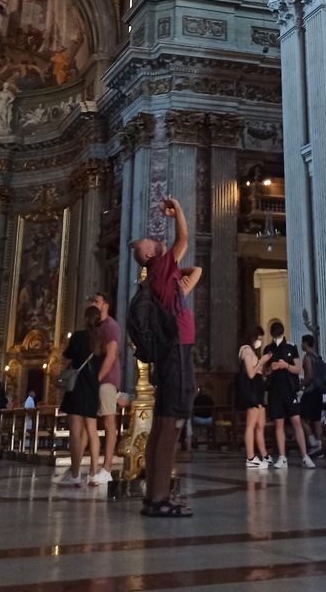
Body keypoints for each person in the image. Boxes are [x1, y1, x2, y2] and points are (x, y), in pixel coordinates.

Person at [131, 196, 203, 516]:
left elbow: (193, 269)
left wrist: (178, 279)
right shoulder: (160, 267)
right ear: (148, 254)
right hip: (177, 349)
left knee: (164, 422)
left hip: (172, 351)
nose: (156, 239)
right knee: (171, 423)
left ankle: (156, 495)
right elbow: (185, 238)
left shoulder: (163, 276)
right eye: (151, 241)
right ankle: (159, 498)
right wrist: (178, 211)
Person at [56, 305, 105, 489]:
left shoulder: (78, 336)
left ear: (86, 319)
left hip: (77, 387)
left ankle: (75, 473)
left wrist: (65, 344)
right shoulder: (101, 339)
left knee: (75, 432)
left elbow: (67, 354)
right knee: (92, 431)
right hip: (92, 387)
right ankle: (92, 472)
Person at [266, 319, 315, 469]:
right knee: (278, 424)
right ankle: (282, 457)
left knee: (296, 421)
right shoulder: (268, 349)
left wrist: (285, 365)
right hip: (275, 390)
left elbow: (298, 369)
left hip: (289, 388)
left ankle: (305, 456)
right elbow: (264, 371)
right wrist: (271, 369)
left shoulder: (291, 347)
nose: (276, 337)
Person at [90, 292, 122, 482]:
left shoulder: (110, 326)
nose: (94, 304)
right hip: (96, 380)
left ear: (106, 305)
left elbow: (110, 357)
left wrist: (97, 379)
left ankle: (107, 468)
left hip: (107, 379)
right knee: (89, 423)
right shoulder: (97, 327)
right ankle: (90, 470)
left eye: (97, 301)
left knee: (109, 422)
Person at [237, 326, 270, 469]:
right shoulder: (246, 350)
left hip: (258, 388)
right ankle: (250, 457)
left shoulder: (252, 351)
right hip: (251, 389)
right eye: (259, 338)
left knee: (260, 424)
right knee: (251, 424)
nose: (260, 341)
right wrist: (262, 361)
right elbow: (250, 373)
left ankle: (264, 455)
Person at [300, 334, 326, 456]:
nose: (301, 345)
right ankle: (320, 447)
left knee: (300, 416)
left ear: (305, 343)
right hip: (319, 391)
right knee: (316, 419)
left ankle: (312, 441)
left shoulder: (307, 357)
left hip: (310, 391)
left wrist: (301, 384)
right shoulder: (318, 357)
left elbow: (309, 376)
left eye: (302, 343)